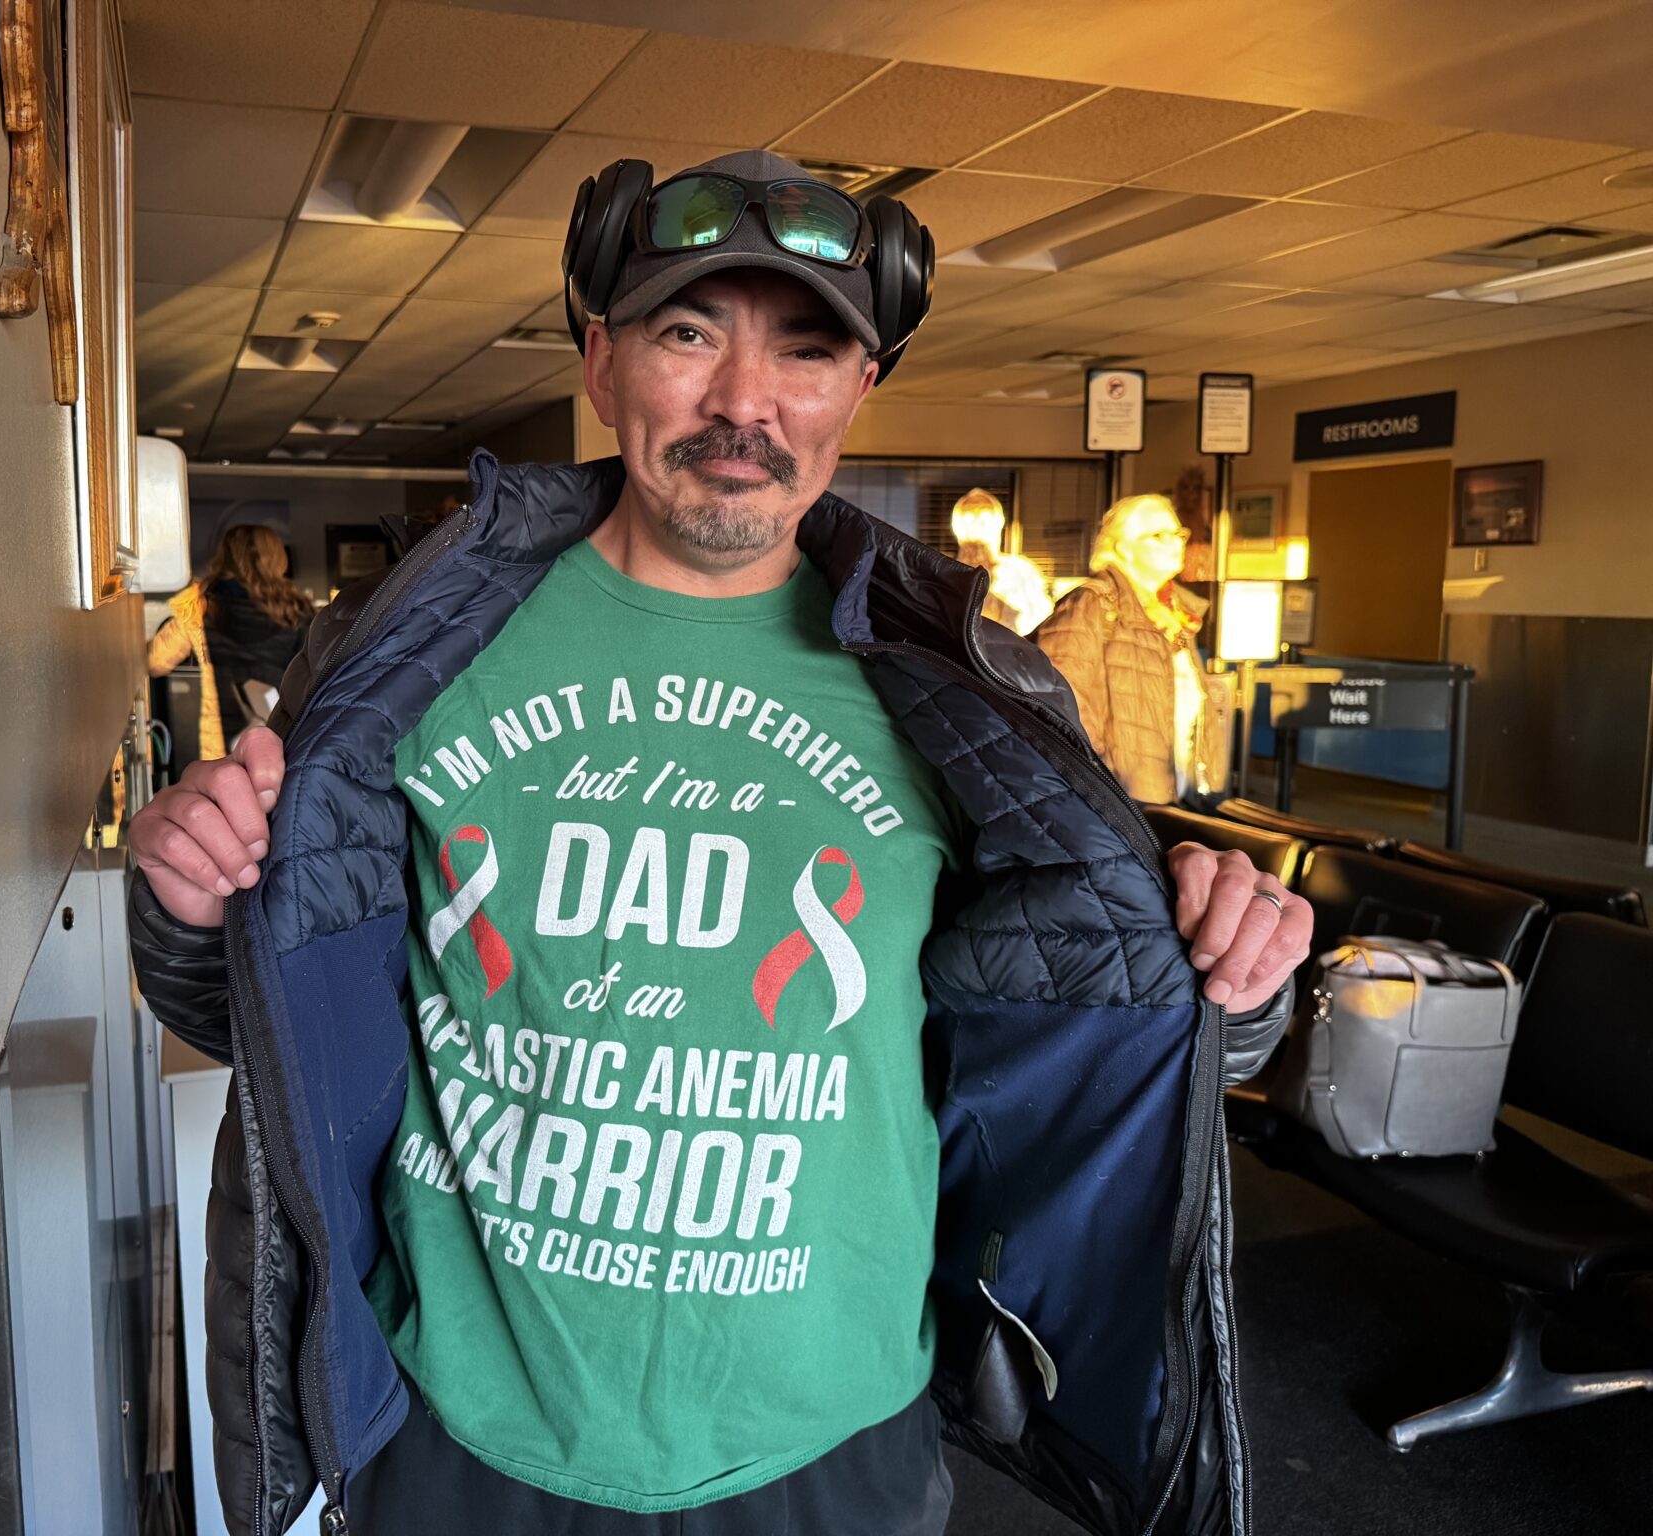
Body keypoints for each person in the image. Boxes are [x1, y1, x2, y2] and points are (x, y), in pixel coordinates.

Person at [126, 151, 1310, 1536]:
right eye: (689, 333)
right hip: (466, 1439)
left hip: (826, 1447)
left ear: (859, 389)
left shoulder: (965, 688)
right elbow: (255, 1011)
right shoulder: (408, 654)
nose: (746, 404)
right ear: (599, 359)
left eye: (806, 352)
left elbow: (1103, 1030)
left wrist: (1235, 968)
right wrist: (188, 902)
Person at [1035, 494, 1234, 806]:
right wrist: (1106, 786)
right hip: (1124, 803)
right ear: (1123, 547)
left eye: (1178, 534)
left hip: (1181, 796)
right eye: (1158, 536)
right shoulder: (1093, 604)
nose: (1175, 543)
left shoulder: (1176, 615)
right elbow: (1063, 707)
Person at [146, 523, 313, 761]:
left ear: (225, 558)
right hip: (284, 744)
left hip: (222, 752)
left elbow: (155, 661)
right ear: (278, 559)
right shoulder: (299, 609)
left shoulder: (199, 605)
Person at [949, 487, 1051, 635]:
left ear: (996, 525)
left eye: (984, 520)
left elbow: (1039, 618)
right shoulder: (947, 571)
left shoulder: (1019, 571)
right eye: (969, 521)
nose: (976, 528)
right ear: (958, 527)